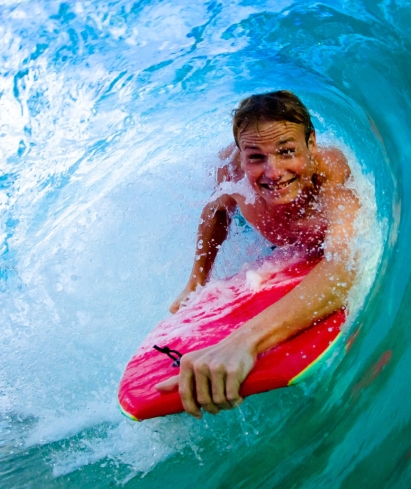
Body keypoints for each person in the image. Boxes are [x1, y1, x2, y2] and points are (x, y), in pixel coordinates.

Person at [154, 90, 360, 418]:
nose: (273, 172)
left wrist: (243, 342)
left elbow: (346, 264)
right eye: (255, 157)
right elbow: (217, 210)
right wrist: (196, 282)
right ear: (240, 157)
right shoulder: (233, 174)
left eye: (287, 151)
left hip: (312, 234)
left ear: (312, 143)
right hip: (271, 229)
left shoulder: (332, 173)